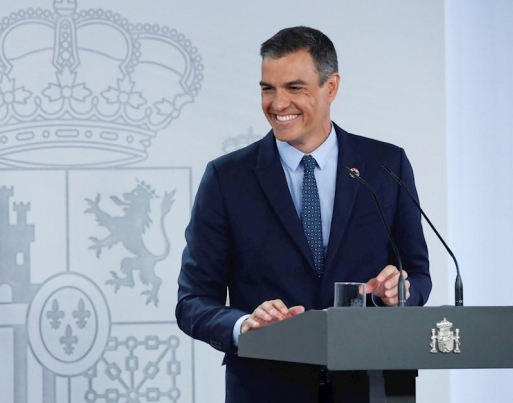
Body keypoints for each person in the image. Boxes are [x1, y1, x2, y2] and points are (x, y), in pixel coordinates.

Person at [175, 26, 431, 403]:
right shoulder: (227, 178)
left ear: (331, 87)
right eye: (267, 88)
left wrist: (397, 292)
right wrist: (245, 324)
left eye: (294, 88)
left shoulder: (386, 165)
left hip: (372, 386)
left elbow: (418, 275)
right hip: (267, 388)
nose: (277, 104)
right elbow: (192, 301)